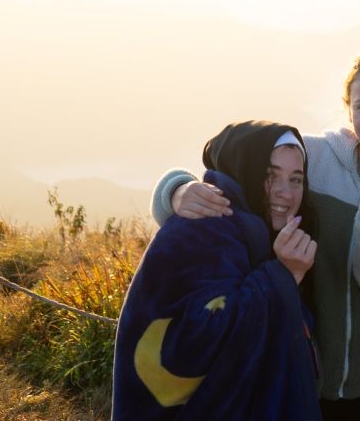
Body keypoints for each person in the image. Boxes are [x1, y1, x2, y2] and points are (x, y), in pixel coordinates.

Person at [150, 48, 360, 420]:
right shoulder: (312, 157)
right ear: (348, 109)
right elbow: (230, 165)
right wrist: (176, 189)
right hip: (294, 369)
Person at [112, 120, 321, 420]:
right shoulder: (207, 225)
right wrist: (282, 278)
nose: (284, 193)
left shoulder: (255, 230)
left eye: (296, 179)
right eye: (269, 175)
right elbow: (197, 342)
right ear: (244, 168)